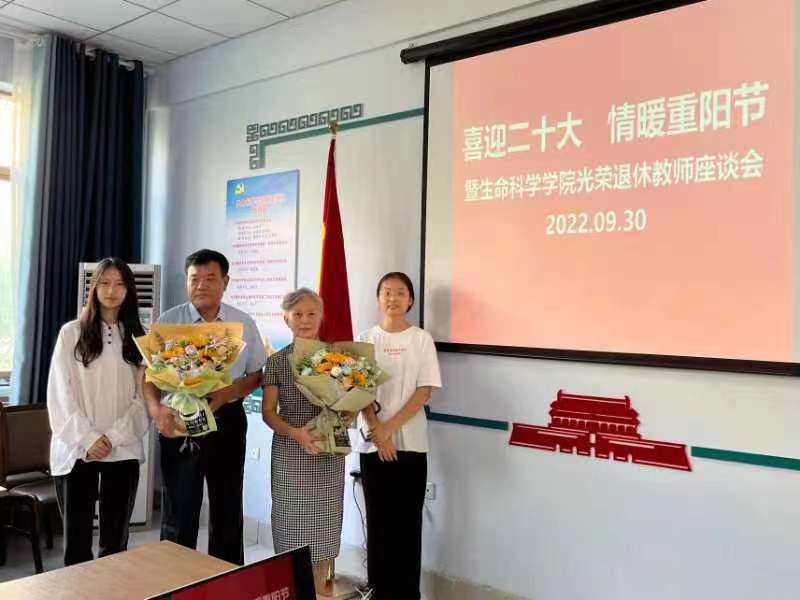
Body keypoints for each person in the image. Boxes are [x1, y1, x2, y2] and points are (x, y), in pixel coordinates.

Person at [142, 249, 266, 565]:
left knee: (227, 504)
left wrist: (229, 392)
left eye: (210, 278)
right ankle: (176, 580)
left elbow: (256, 375)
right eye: (194, 279)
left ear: (226, 282)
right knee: (179, 506)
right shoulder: (168, 322)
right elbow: (149, 376)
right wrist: (156, 411)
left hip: (228, 418)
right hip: (179, 420)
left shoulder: (243, 322)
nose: (201, 285)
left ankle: (225, 579)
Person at [47, 257, 149, 566]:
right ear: (94, 288)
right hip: (77, 448)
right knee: (77, 543)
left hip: (123, 448)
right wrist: (89, 438)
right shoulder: (71, 333)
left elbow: (144, 398)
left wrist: (112, 437)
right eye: (104, 283)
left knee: (115, 543)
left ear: (129, 290)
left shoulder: (140, 338)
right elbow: (60, 393)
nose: (111, 290)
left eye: (119, 284)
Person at [358, 272, 442, 600]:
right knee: (378, 523)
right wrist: (377, 433)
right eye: (387, 292)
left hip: (411, 443)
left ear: (411, 300)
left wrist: (388, 429)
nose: (393, 298)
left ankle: (407, 595)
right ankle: (378, 592)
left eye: (400, 292)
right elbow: (357, 390)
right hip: (373, 444)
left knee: (407, 524)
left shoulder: (421, 339)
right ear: (378, 298)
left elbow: (425, 390)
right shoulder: (365, 339)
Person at [262, 288, 344, 596]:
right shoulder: (276, 361)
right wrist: (296, 433)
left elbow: (350, 402)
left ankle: (319, 590)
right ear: (286, 319)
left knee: (324, 536)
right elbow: (268, 413)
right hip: (291, 454)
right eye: (297, 314)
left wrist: (344, 417)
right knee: (291, 533)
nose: (305, 320)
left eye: (311, 313)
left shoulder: (338, 359)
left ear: (321, 316)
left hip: (327, 453)